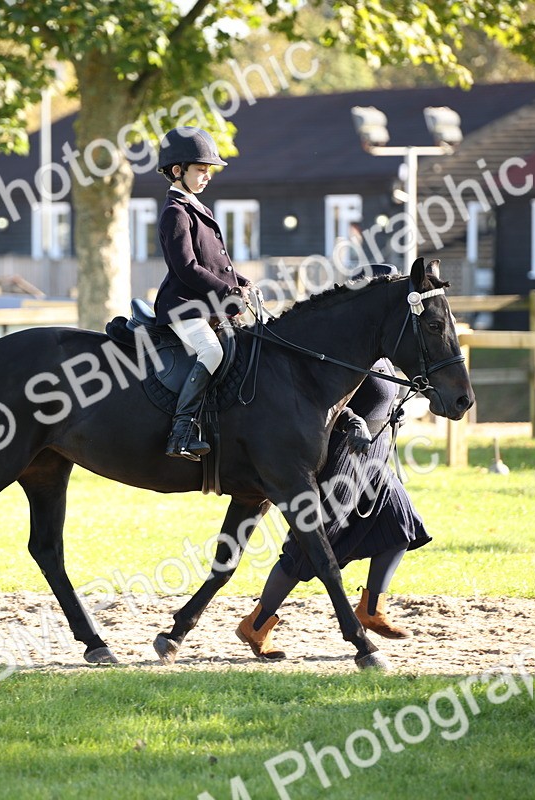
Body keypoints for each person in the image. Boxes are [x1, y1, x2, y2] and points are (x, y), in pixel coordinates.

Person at [236, 358, 431, 660]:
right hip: (345, 455)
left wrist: (393, 412)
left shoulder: (382, 348)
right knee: (309, 549)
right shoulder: (347, 342)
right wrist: (353, 420)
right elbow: (319, 397)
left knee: (400, 523)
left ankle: (371, 609)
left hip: (376, 454)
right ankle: (257, 624)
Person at [154, 127, 254, 460]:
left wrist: (242, 283)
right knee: (211, 351)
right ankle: (181, 432)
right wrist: (228, 292)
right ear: (177, 171)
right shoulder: (175, 213)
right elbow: (187, 268)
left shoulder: (197, 207)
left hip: (208, 303)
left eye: (208, 170)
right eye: (201, 170)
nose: (207, 176)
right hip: (184, 307)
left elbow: (215, 263)